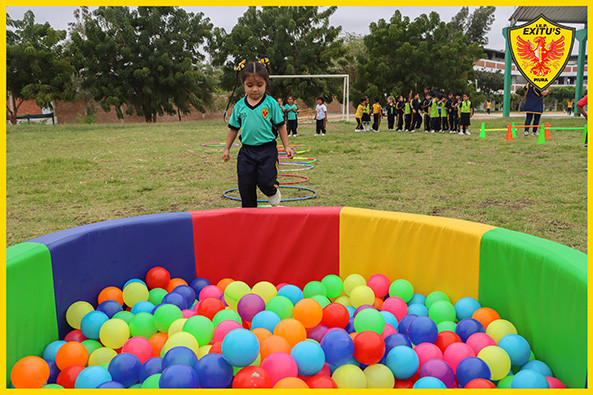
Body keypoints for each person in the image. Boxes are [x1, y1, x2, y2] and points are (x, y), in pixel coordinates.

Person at [223, 60, 294, 208]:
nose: (255, 89)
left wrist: (287, 146)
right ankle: (250, 216)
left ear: (266, 83)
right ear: (243, 83)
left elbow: (281, 127)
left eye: (259, 85)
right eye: (250, 85)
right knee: (245, 186)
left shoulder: (271, 104)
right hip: (247, 152)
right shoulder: (239, 106)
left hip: (267, 151)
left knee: (266, 182)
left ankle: (273, 192)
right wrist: (226, 148)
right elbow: (233, 129)